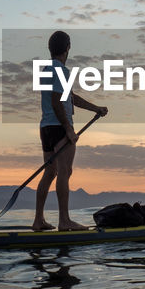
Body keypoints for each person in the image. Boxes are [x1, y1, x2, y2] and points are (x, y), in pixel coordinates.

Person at [33, 30, 107, 232]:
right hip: (59, 126)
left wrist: (96, 109)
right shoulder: (61, 71)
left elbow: (70, 97)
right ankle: (64, 220)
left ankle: (38, 220)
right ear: (68, 48)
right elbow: (58, 102)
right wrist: (68, 129)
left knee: (50, 172)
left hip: (46, 127)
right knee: (65, 172)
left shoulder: (47, 70)